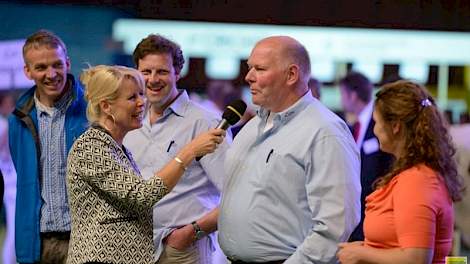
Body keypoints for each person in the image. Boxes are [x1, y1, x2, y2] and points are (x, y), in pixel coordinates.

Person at [218, 36, 361, 263]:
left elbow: (335, 227)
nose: (248, 77)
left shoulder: (325, 132)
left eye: (260, 69)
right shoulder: (251, 126)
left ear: (291, 75)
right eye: (249, 68)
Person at [66, 65, 225, 264]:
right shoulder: (91, 146)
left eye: (142, 95)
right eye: (132, 98)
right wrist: (189, 151)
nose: (143, 102)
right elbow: (142, 196)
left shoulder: (117, 147)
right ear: (106, 106)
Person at [123, 34, 230, 264]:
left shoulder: (205, 123)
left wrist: (189, 234)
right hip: (134, 249)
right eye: (146, 72)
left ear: (177, 73)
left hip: (182, 251)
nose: (153, 79)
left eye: (161, 71)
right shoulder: (130, 123)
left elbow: (235, 195)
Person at [337, 80, 463, 264]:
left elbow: (416, 258)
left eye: (377, 122)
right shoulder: (416, 175)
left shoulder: (417, 180)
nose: (375, 129)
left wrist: (360, 254)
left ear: (395, 126)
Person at [8, 30, 88, 264]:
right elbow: (25, 176)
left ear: (67, 63)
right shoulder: (17, 120)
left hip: (83, 239)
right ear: (28, 71)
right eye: (41, 67)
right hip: (38, 242)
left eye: (57, 65)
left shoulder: (91, 112)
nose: (51, 74)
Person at [338, 71, 393, 241]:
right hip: (358, 209)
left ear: (353, 96)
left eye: (342, 95)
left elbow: (385, 165)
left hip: (376, 206)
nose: (341, 100)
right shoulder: (355, 124)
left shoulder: (379, 119)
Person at [0, 92, 16, 264]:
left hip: (11, 181)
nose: (11, 107)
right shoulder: (4, 125)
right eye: (8, 103)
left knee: (15, 228)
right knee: (14, 229)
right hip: (10, 182)